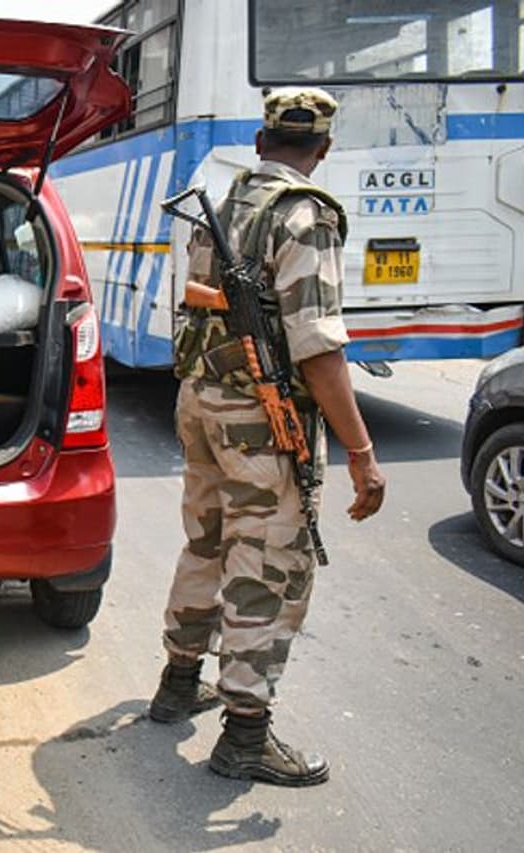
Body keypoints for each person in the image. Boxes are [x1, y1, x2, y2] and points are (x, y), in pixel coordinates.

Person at [148, 87, 386, 787]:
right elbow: (319, 350)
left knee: (207, 540)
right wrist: (363, 454)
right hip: (259, 418)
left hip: (202, 399)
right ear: (324, 149)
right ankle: (246, 734)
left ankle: (178, 682)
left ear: (260, 142)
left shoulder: (225, 206)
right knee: (266, 564)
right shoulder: (305, 216)